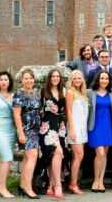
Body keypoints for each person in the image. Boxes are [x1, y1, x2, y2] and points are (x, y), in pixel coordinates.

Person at [38, 69, 68, 199]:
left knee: (54, 156)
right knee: (58, 152)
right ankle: (58, 186)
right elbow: (38, 108)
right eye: (53, 76)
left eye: (58, 76)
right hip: (47, 126)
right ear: (49, 78)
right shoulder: (42, 91)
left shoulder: (64, 91)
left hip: (60, 125)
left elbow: (67, 110)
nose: (55, 78)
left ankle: (50, 185)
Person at [13, 68, 41, 199]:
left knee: (26, 158)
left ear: (34, 79)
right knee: (32, 157)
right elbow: (17, 115)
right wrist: (21, 133)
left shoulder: (35, 93)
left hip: (35, 130)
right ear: (21, 80)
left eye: (30, 78)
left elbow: (37, 110)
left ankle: (23, 185)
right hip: (26, 130)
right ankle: (28, 188)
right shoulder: (19, 94)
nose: (29, 80)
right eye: (26, 78)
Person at [87, 70, 112, 193]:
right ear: (98, 79)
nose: (104, 81)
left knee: (105, 154)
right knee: (100, 154)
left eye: (106, 79)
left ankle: (101, 181)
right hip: (95, 126)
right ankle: (95, 180)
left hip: (108, 126)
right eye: (102, 78)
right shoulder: (90, 92)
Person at [65, 69, 89, 195]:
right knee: (79, 156)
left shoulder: (83, 93)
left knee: (76, 157)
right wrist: (72, 130)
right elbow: (68, 111)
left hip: (83, 128)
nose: (77, 80)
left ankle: (73, 183)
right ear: (71, 80)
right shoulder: (70, 92)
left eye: (79, 78)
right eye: (75, 78)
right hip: (74, 129)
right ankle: (73, 184)